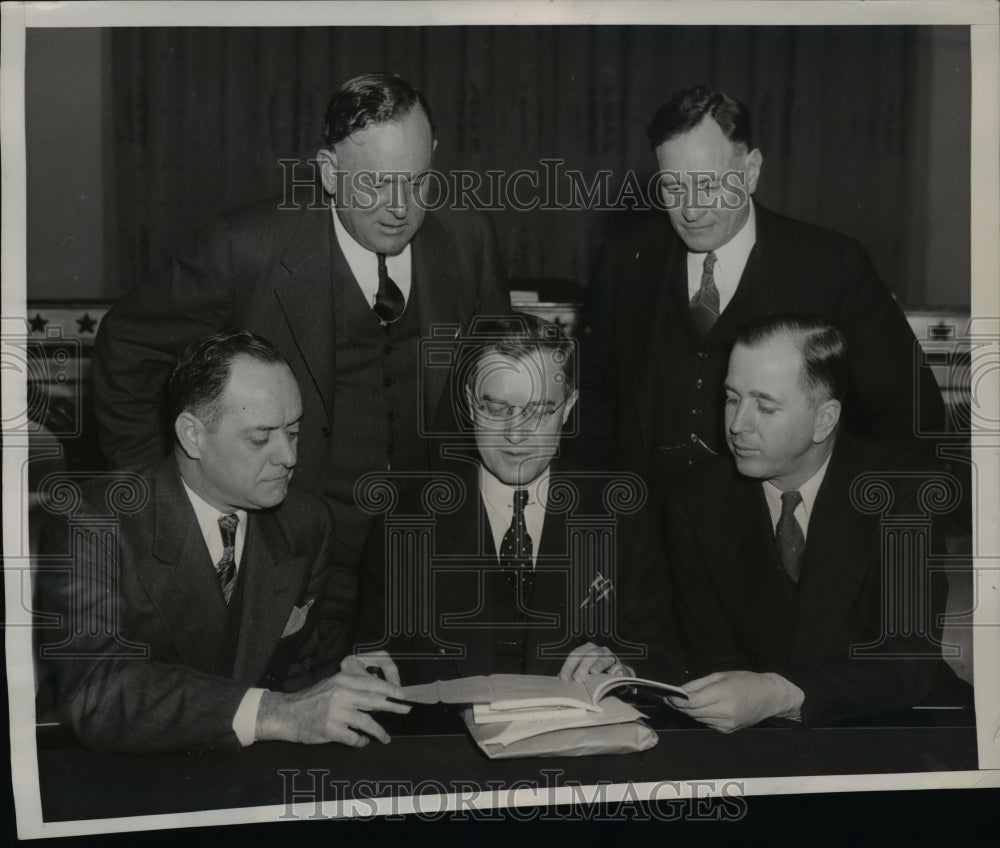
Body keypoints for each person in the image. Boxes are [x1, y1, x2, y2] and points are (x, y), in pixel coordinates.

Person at [92, 72, 510, 572]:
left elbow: (500, 394)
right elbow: (125, 347)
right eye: (375, 183)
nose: (400, 208)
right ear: (330, 172)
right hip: (286, 562)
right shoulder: (243, 250)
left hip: (428, 562)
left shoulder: (469, 241)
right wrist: (164, 501)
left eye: (417, 181)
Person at [35, 332, 409, 753]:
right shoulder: (92, 522)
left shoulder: (306, 521)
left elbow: (301, 668)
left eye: (294, 430)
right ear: (192, 435)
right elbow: (96, 693)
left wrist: (346, 677)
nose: (288, 456)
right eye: (260, 438)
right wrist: (270, 712)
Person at [585, 84, 946, 511]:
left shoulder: (832, 264)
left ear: (751, 171)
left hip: (777, 550)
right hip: (648, 545)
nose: (692, 210)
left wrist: (852, 526)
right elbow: (593, 412)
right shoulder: (625, 260)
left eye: (711, 185)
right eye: (673, 188)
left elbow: (911, 415)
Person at [664, 314, 960, 731]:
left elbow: (908, 659)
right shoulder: (696, 500)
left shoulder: (904, 492)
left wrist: (780, 695)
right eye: (732, 397)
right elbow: (711, 658)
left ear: (824, 419)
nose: (736, 424)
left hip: (897, 725)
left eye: (765, 406)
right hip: (759, 741)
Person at [353, 313, 679, 684]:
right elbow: (376, 665)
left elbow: (664, 655)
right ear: (470, 403)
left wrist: (622, 670)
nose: (516, 435)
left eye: (539, 411)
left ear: (569, 406)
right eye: (497, 409)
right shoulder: (405, 524)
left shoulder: (620, 516)